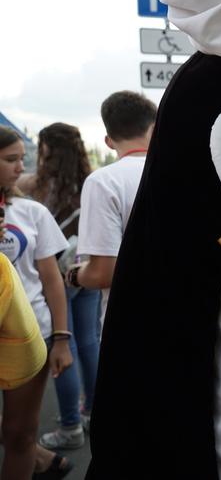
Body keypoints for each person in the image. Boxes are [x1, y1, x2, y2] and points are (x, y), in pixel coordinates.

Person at [16, 123, 104, 451]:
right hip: (85, 268)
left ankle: (70, 425)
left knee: (62, 344)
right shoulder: (91, 182)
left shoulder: (37, 185)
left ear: (46, 149)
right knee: (89, 341)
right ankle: (93, 412)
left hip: (53, 275)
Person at [0, 127, 74, 479]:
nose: (21, 167)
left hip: (30, 334)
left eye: (21, 158)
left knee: (20, 434)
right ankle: (45, 459)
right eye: (10, 159)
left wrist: (61, 338)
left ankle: (37, 459)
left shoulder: (32, 213)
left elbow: (51, 279)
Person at [64, 91, 156, 326]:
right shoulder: (187, 174)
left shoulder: (104, 181)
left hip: (133, 322)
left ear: (108, 141)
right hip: (194, 317)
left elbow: (104, 273)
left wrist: (75, 275)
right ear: (154, 129)